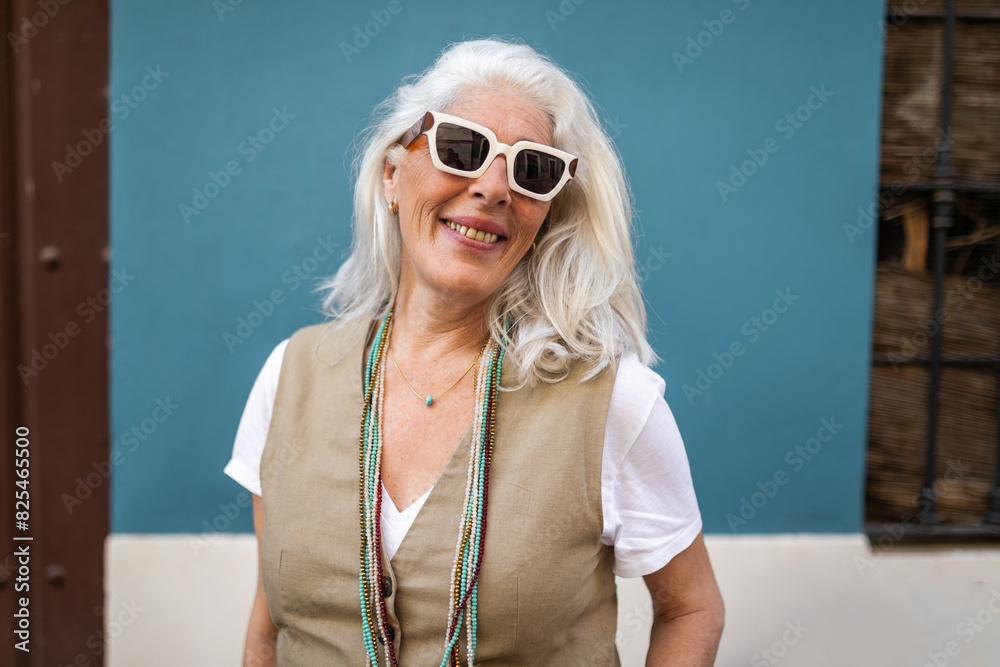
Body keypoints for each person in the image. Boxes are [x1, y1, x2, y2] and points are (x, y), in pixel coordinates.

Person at [224, 37, 724, 666]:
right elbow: (271, 624)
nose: (492, 188)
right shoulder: (290, 377)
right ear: (392, 176)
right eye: (462, 148)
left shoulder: (612, 402)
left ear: (548, 215)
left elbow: (692, 609)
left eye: (532, 170)